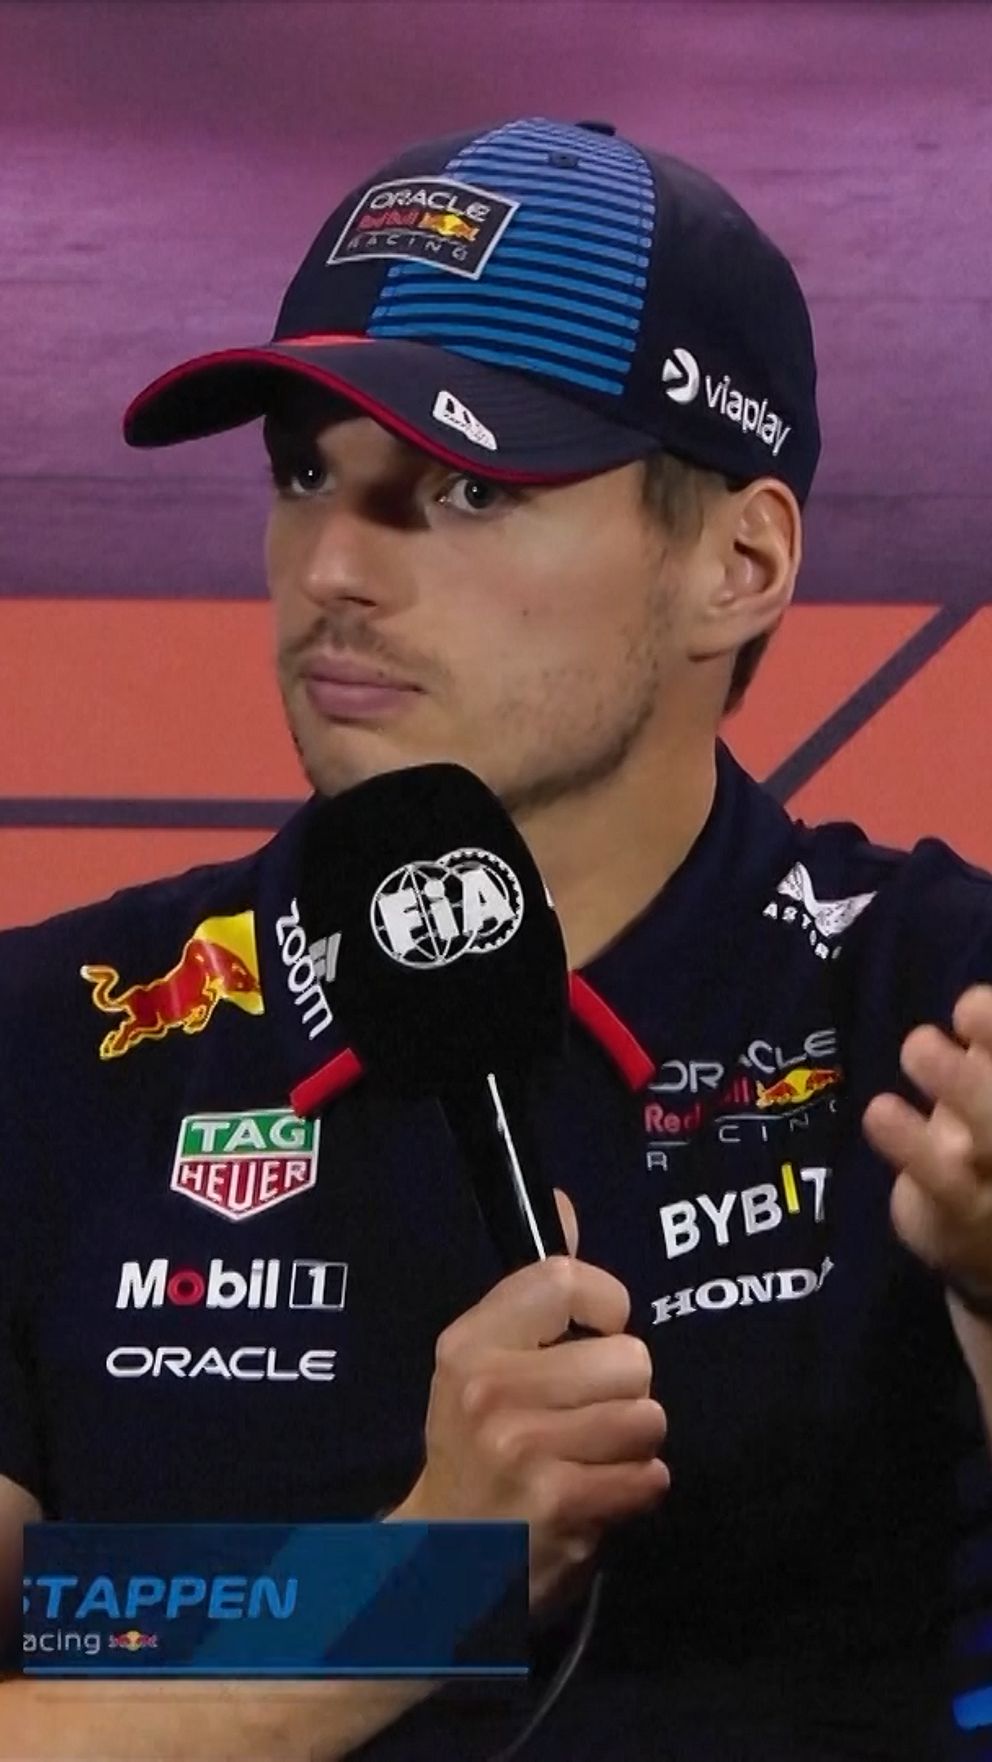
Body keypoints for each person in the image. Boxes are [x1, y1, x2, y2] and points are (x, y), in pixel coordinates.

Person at [1, 114, 991, 1762]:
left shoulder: (932, 1006)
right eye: (304, 472)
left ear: (738, 561)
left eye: (465, 487)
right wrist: (426, 1578)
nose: (331, 566)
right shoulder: (56, 1035)